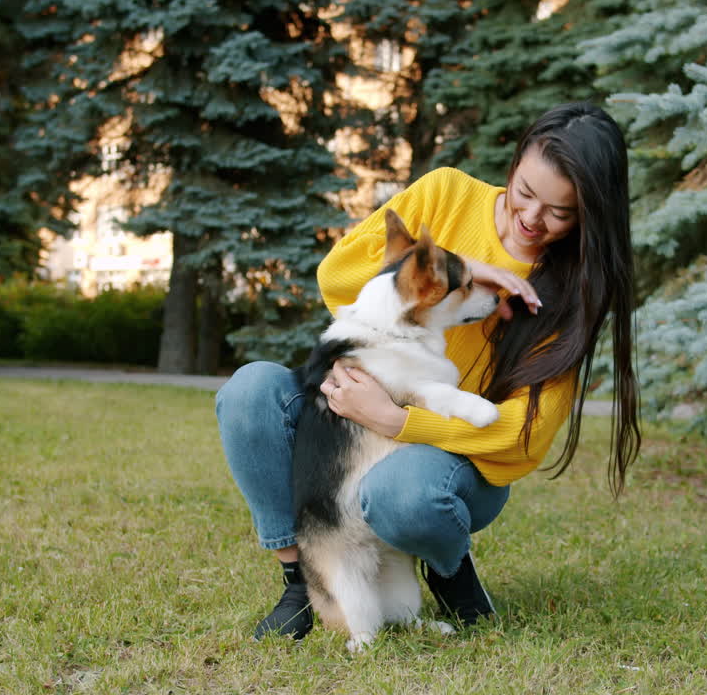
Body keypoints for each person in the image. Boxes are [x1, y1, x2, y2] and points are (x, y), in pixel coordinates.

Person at [216, 102, 641, 641]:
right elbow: (337, 276)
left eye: (560, 212)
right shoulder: (445, 193)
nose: (532, 218)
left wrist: (399, 421)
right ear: (512, 167)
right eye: (525, 193)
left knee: (404, 491)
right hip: (357, 423)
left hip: (454, 460)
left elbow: (524, 436)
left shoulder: (574, 289)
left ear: (589, 214)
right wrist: (461, 265)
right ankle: (302, 578)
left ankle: (449, 567)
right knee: (251, 391)